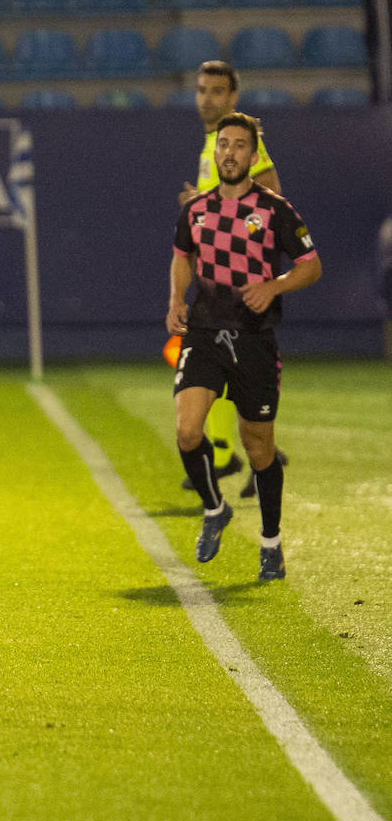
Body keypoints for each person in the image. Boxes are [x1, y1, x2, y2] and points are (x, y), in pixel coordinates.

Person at [168, 112, 322, 580]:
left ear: (253, 157)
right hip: (205, 333)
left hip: (254, 339)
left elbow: (311, 265)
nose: (230, 152)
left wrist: (273, 287)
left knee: (259, 449)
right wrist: (176, 299)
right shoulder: (195, 210)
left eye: (239, 146)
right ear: (214, 154)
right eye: (223, 145)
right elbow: (181, 257)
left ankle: (271, 543)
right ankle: (215, 508)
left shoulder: (276, 209)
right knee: (188, 430)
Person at [173, 60, 287, 500]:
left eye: (217, 91)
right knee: (220, 367)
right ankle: (229, 453)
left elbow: (272, 200)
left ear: (233, 97)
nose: (207, 98)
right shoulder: (212, 146)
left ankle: (258, 456)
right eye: (202, 90)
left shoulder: (243, 147)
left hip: (244, 287)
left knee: (245, 371)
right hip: (216, 287)